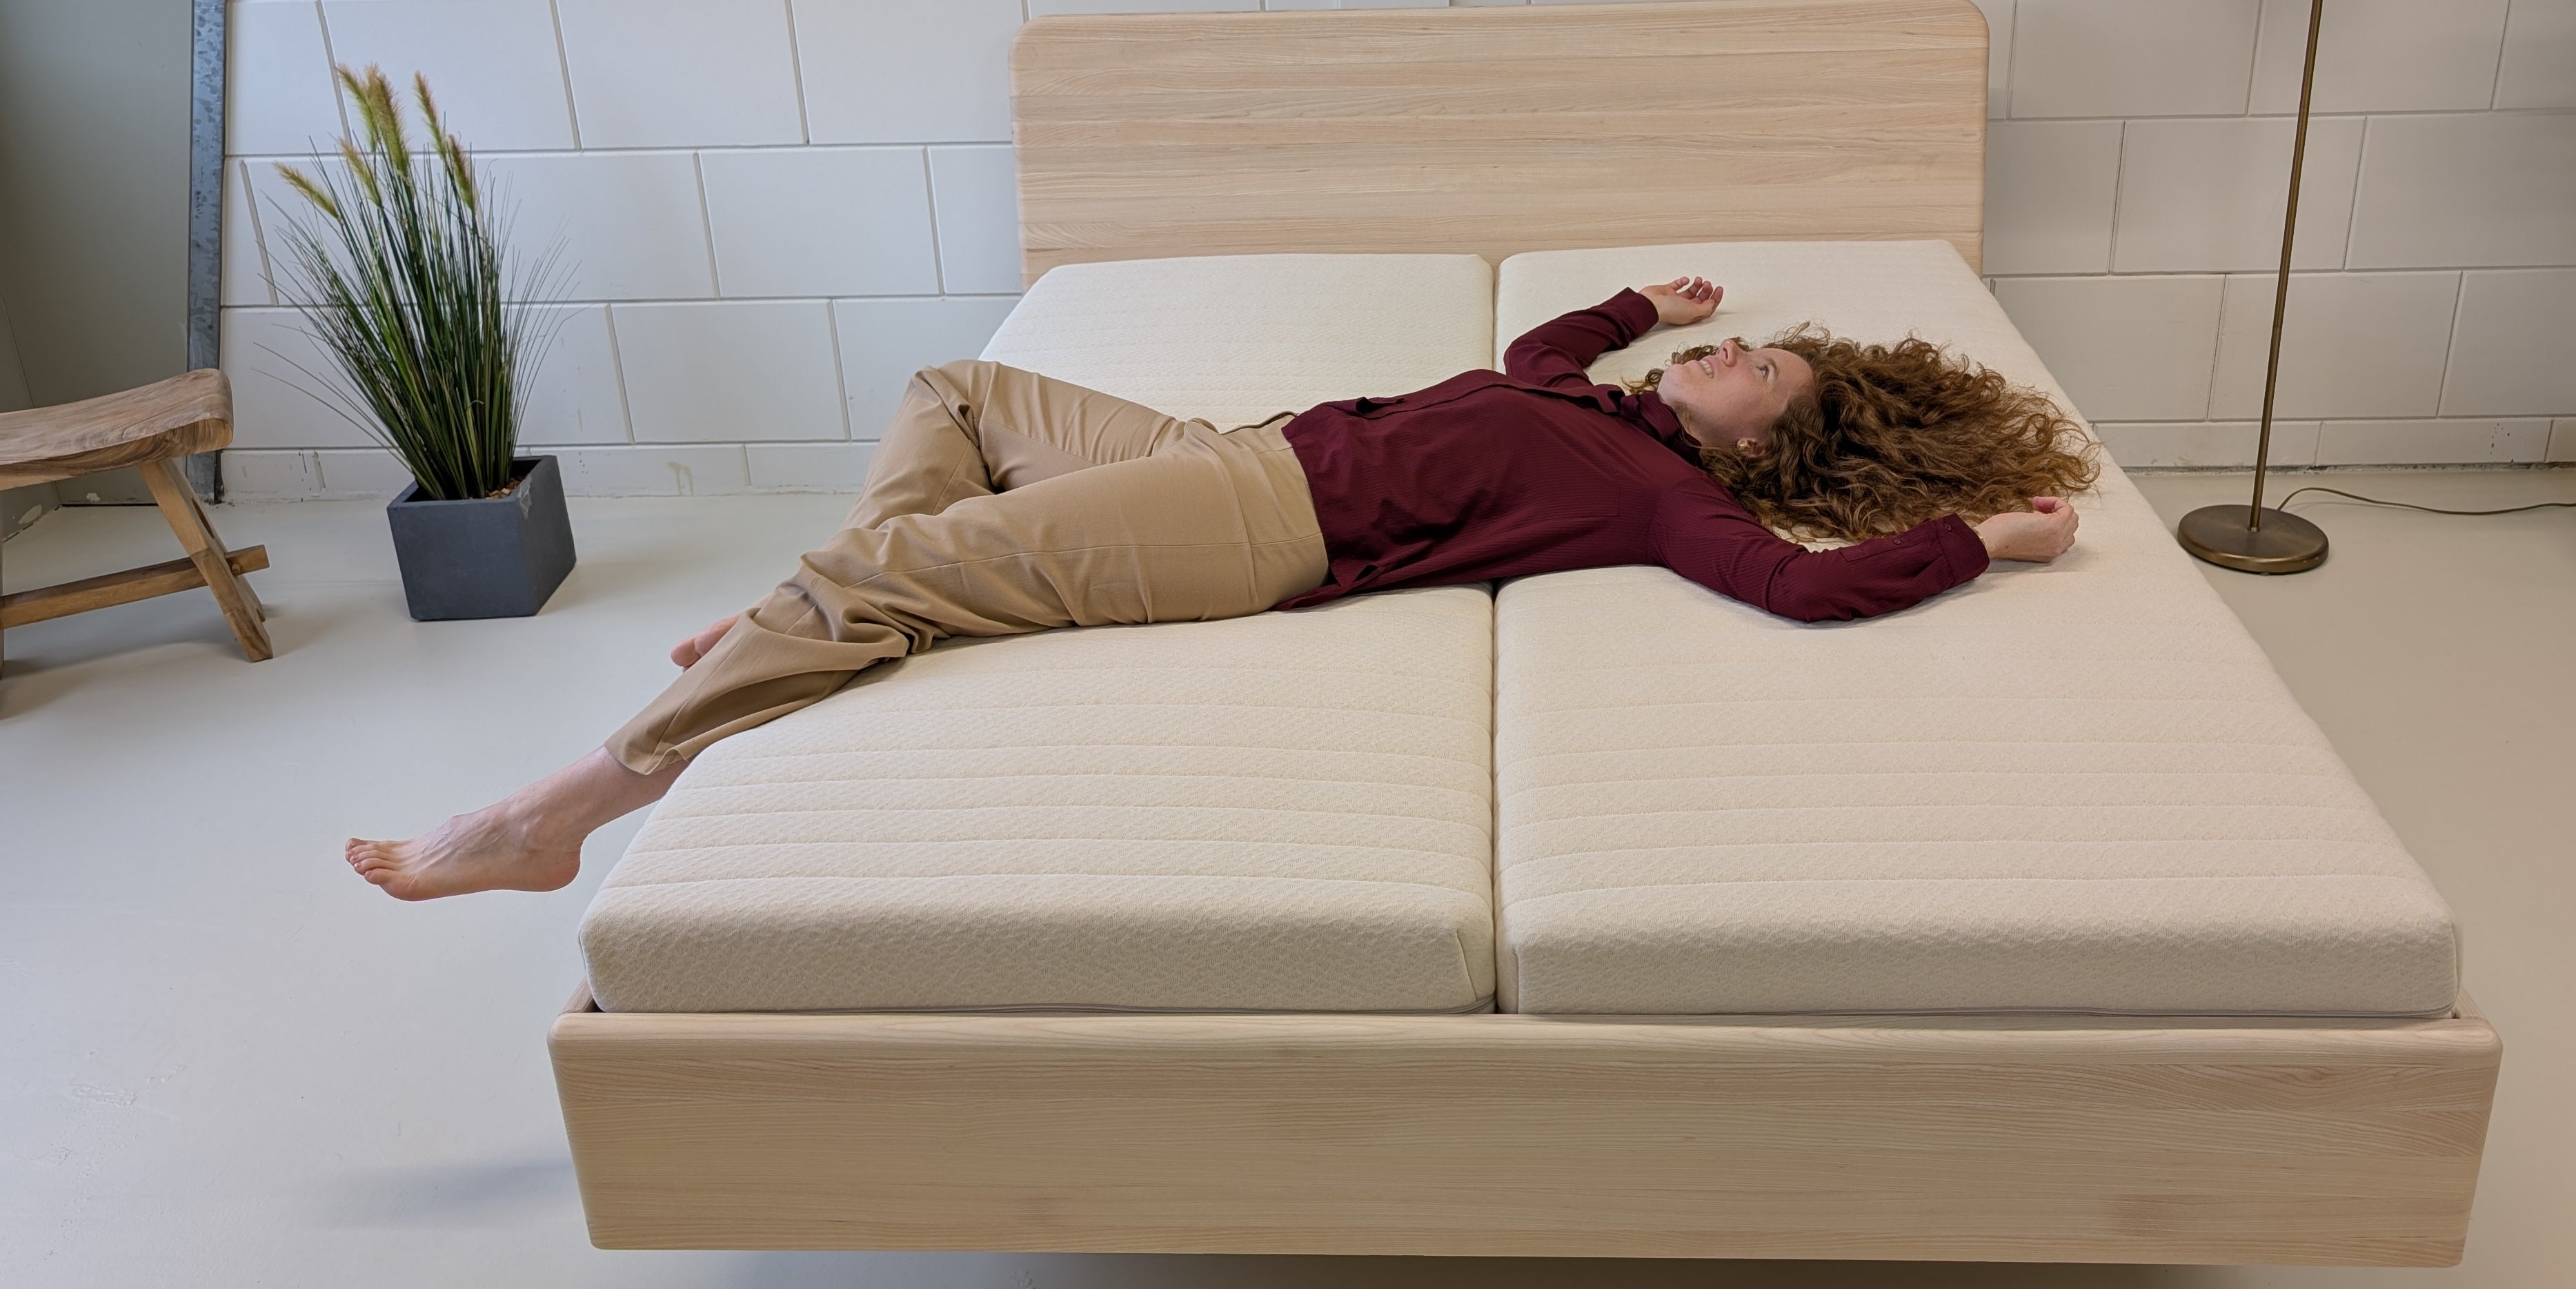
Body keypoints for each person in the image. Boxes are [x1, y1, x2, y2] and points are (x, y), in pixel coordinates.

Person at [347, 277, 2093, 901]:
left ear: (1762, 443)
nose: (1731, 356)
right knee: (960, 391)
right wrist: (1649, 306)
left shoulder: (1657, 491)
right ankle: (824, 612)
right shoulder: (1594, 400)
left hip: (1265, 527)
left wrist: (1986, 544)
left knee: (902, 564)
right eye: (1743, 345)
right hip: (1236, 447)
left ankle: (561, 808)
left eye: (1756, 369)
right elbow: (1541, 345)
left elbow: (1793, 593)